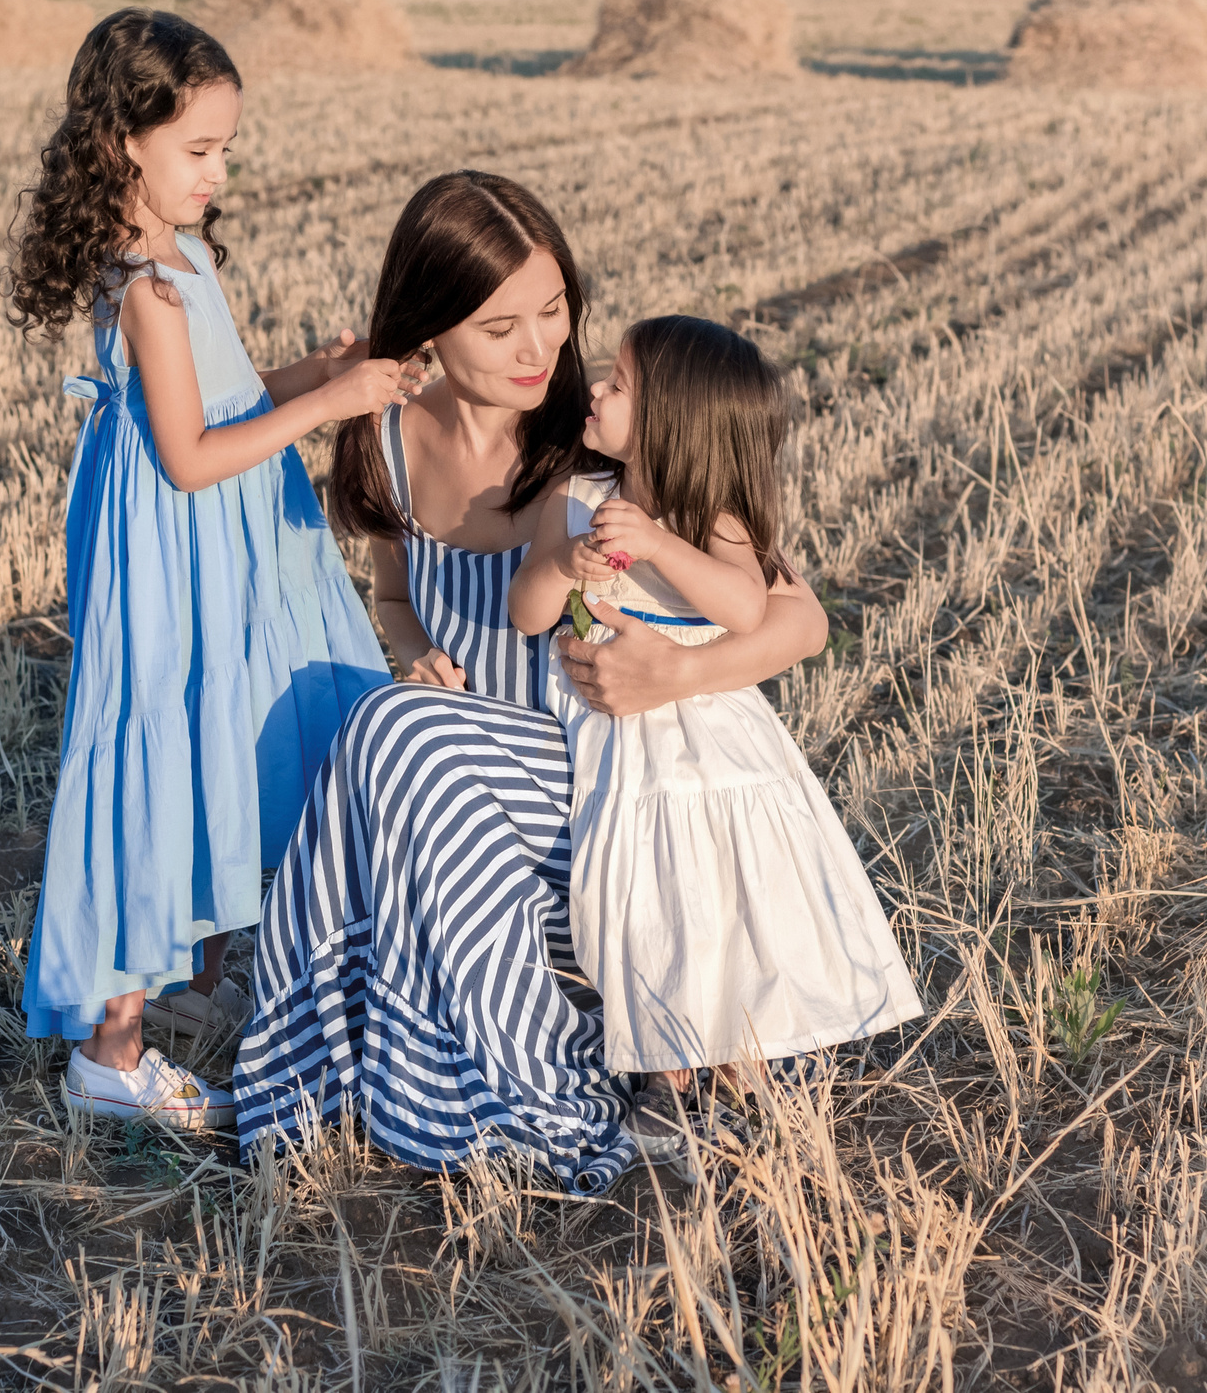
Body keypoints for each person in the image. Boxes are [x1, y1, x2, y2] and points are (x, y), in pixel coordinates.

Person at [234, 172, 833, 1193]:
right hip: (461, 807)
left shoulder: (597, 446)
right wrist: (411, 648)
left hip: (604, 797)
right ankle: (328, 1069)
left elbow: (798, 618)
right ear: (428, 327)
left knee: (394, 731)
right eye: (500, 325)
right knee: (392, 721)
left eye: (554, 313)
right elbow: (395, 596)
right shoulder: (379, 435)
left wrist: (677, 671)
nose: (539, 350)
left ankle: (545, 1090)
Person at [2, 8, 408, 1127]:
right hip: (177, 541)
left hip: (216, 541)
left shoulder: (179, 260)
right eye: (199, 150)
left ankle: (186, 990)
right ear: (125, 139)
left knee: (218, 741)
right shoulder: (143, 278)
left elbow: (220, 400)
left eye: (226, 148)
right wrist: (332, 404)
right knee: (163, 756)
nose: (218, 172)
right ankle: (109, 1059)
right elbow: (186, 457)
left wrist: (305, 373)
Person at [508, 315, 920, 1155]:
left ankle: (750, 1052)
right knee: (645, 896)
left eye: (619, 385)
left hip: (716, 745)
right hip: (622, 746)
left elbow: (745, 608)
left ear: (673, 424)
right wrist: (565, 565)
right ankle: (667, 1072)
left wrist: (659, 539)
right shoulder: (578, 499)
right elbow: (525, 613)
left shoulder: (714, 520)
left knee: (734, 892)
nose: (596, 388)